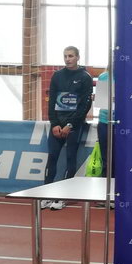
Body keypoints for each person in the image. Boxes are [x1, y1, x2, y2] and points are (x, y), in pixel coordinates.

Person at [43, 46, 93, 208]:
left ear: (78, 57)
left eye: (71, 56)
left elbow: (85, 104)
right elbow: (51, 101)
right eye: (65, 56)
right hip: (57, 125)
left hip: (74, 126)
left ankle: (62, 198)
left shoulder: (85, 77)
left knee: (70, 159)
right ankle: (45, 195)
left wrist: (70, 124)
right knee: (52, 158)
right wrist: (55, 124)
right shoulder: (57, 76)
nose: (67, 59)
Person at [94, 69, 113, 178]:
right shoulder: (104, 76)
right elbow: (101, 100)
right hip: (104, 122)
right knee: (106, 159)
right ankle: (105, 183)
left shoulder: (128, 77)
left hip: (121, 124)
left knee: (118, 158)